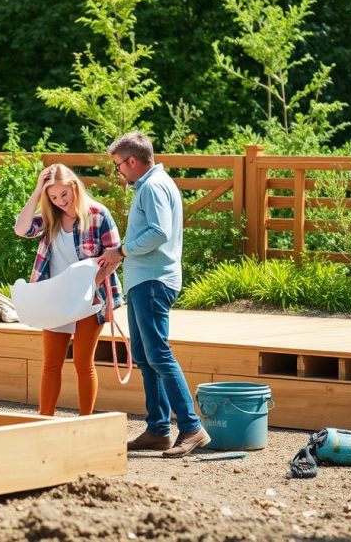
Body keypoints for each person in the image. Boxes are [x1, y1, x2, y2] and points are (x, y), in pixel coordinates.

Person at [97, 132, 211, 457]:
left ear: (132, 161)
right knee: (145, 357)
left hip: (152, 280)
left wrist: (121, 250)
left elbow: (159, 232)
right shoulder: (152, 185)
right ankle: (158, 429)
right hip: (144, 280)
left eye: (118, 165)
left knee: (158, 354)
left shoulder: (152, 186)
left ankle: (191, 428)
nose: (119, 172)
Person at [14, 164, 123, 416]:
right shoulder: (49, 217)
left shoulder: (98, 214)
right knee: (51, 364)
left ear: (74, 187)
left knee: (84, 364)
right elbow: (21, 229)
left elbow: (115, 256)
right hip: (54, 299)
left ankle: (85, 420)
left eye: (64, 194)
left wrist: (90, 286)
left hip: (88, 298)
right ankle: (44, 419)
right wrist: (37, 192)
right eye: (53, 197)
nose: (60, 201)